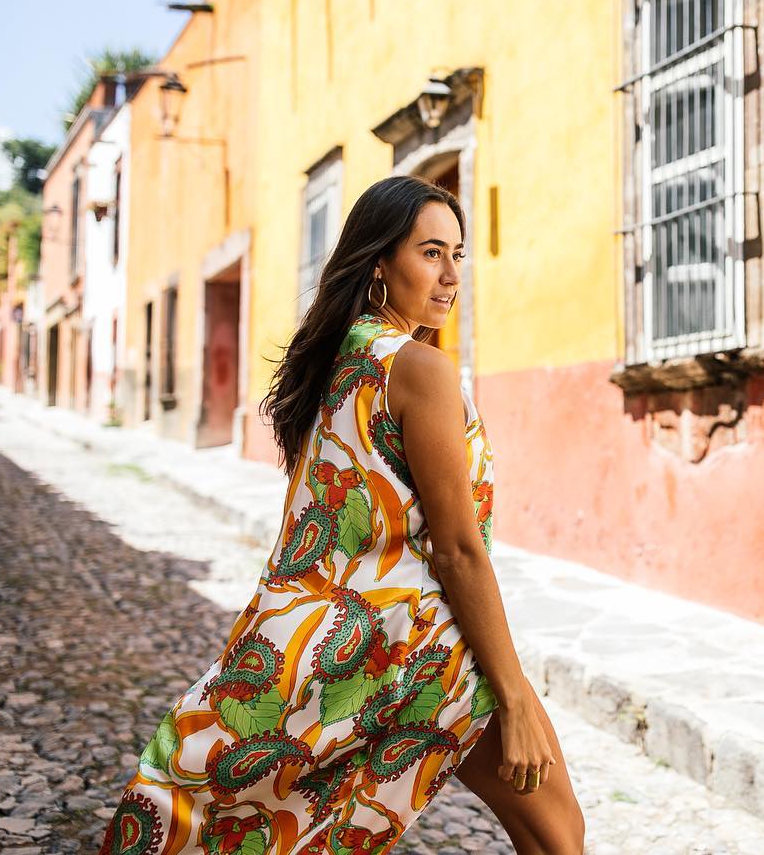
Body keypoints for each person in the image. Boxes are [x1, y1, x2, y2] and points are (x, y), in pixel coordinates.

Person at [97, 175, 585, 854]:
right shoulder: (422, 367)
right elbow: (458, 551)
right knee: (558, 835)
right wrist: (514, 697)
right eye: (431, 253)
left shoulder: (329, 361)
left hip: (313, 644)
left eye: (457, 255)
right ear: (380, 263)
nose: (450, 276)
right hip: (422, 647)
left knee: (274, 826)